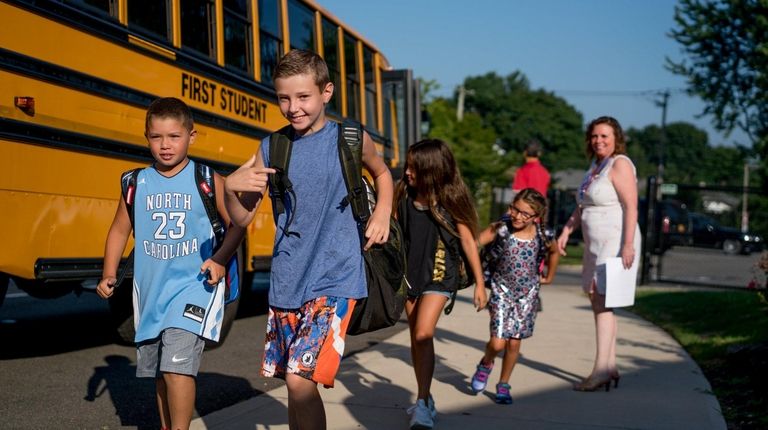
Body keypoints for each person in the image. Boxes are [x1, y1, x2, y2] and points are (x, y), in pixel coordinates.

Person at [222, 49, 394, 430]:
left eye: (303, 97)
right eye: (284, 97)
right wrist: (230, 190)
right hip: (287, 279)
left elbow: (382, 174)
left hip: (336, 276)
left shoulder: (349, 139)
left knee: (301, 379)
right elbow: (242, 217)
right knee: (293, 385)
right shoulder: (272, 147)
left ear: (326, 92)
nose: (292, 107)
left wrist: (382, 213)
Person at [96, 97, 246, 430]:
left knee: (177, 367)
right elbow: (120, 229)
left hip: (194, 287)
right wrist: (109, 273)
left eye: (174, 136)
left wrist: (220, 259)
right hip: (151, 292)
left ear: (191, 137)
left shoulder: (206, 179)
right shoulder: (135, 183)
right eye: (156, 137)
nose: (165, 145)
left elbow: (238, 224)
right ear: (147, 137)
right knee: (161, 373)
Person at [394, 139, 487, 429]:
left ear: (431, 170)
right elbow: (394, 228)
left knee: (423, 333)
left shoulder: (449, 199)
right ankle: (426, 397)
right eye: (408, 166)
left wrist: (480, 284)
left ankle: (422, 404)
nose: (407, 172)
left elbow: (469, 241)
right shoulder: (403, 194)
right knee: (416, 339)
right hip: (409, 274)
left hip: (438, 274)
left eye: (413, 167)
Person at [556, 116, 640, 392]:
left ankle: (601, 369)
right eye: (594, 136)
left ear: (616, 138)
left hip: (615, 239)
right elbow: (582, 207)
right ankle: (610, 365)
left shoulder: (620, 164)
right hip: (594, 243)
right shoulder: (595, 167)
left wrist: (627, 245)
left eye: (604, 136)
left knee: (602, 301)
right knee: (600, 301)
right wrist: (568, 230)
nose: (598, 141)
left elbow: (631, 206)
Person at [469, 188, 559, 404]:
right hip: (501, 290)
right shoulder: (501, 230)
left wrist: (549, 276)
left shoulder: (543, 235)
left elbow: (554, 251)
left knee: (514, 344)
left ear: (536, 216)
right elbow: (472, 244)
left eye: (524, 214)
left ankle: (503, 384)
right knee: (498, 343)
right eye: (514, 210)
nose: (517, 216)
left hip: (528, 294)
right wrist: (478, 280)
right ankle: (486, 363)